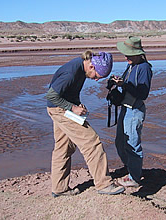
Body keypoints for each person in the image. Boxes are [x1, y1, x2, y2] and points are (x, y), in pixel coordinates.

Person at [46, 50, 125, 197]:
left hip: (61, 108)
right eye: (97, 76)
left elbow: (69, 92)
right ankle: (104, 184)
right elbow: (51, 96)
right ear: (92, 67)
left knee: (63, 148)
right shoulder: (70, 73)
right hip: (59, 110)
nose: (96, 80)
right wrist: (72, 108)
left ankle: (60, 188)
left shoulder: (81, 69)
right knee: (92, 142)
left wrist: (77, 104)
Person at [112, 36, 153, 187]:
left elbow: (143, 94)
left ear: (138, 54)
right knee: (120, 142)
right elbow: (128, 86)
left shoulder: (144, 68)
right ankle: (131, 168)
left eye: (129, 54)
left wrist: (125, 84)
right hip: (126, 108)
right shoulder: (131, 66)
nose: (126, 57)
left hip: (135, 110)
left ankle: (134, 177)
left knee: (132, 143)